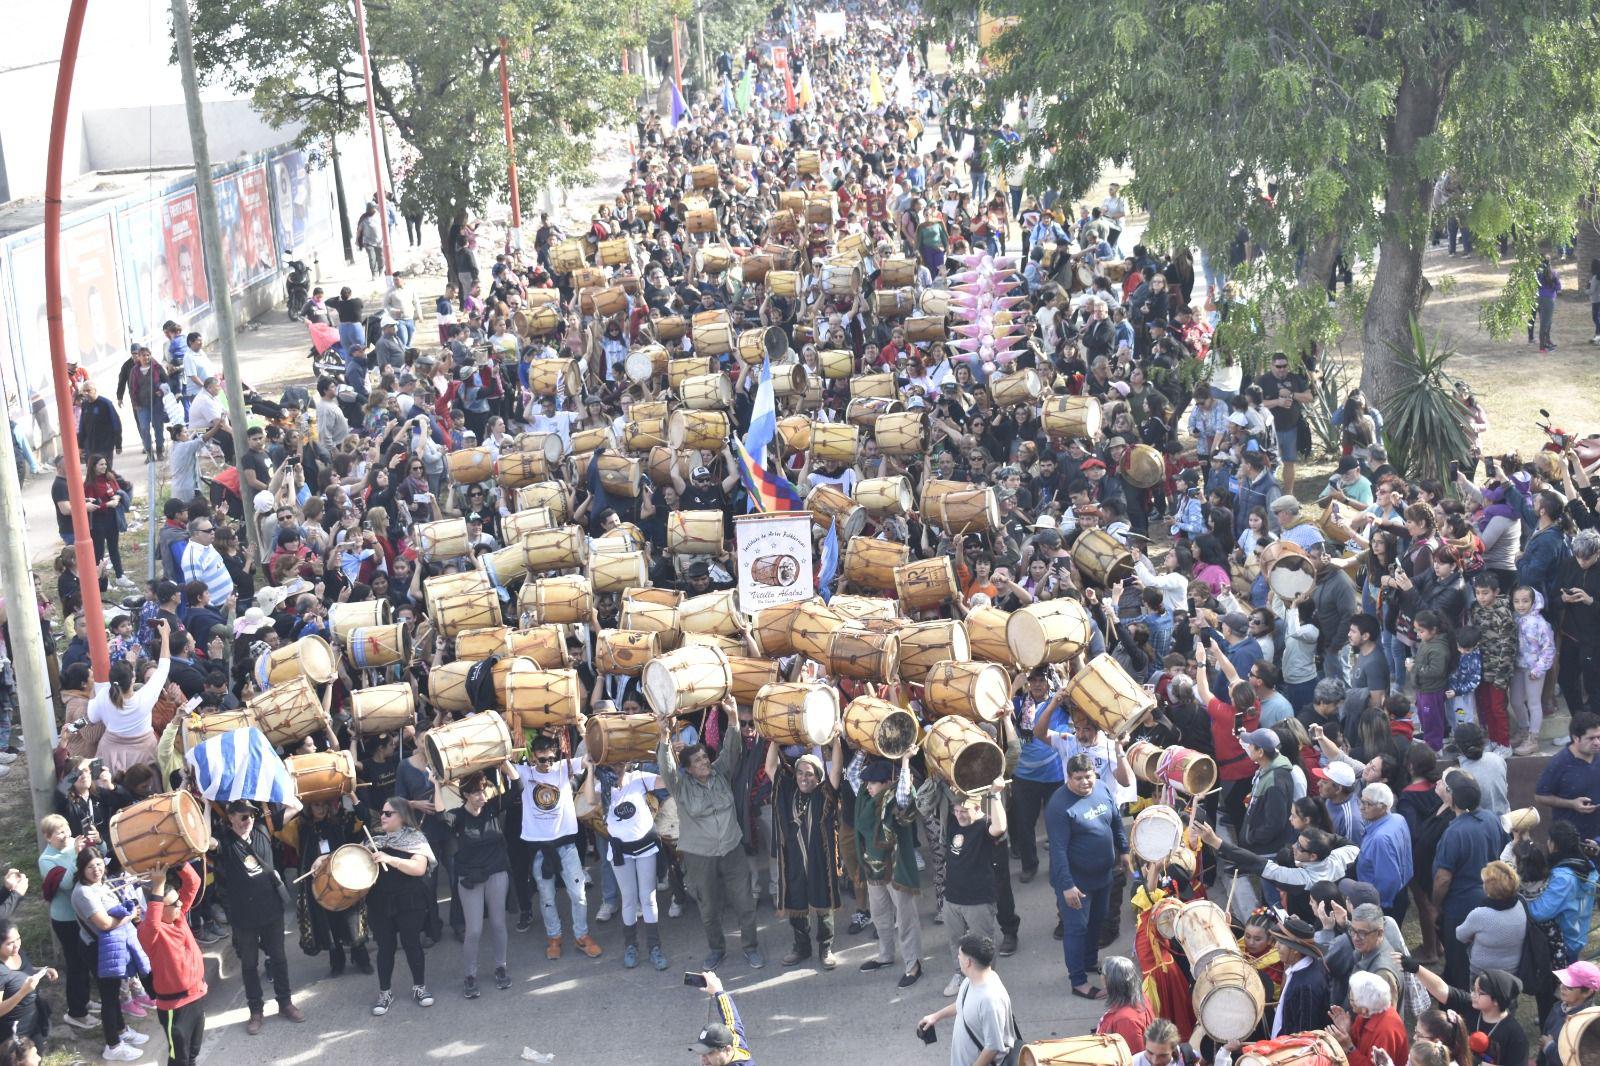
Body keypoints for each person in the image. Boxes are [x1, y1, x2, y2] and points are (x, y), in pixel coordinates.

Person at [658, 701, 762, 970]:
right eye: (697, 761)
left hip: (732, 850)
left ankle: (751, 947)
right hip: (700, 857)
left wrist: (733, 717)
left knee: (745, 903)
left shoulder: (720, 773)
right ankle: (717, 950)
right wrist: (664, 738)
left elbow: (732, 749)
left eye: (705, 757)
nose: (704, 762)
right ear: (688, 769)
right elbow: (667, 769)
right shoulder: (681, 786)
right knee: (709, 909)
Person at [213, 800, 303, 1034]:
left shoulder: (264, 827)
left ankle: (285, 1003)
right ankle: (256, 1011)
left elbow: (297, 807)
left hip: (271, 910)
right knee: (249, 965)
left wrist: (270, 792)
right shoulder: (224, 841)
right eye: (243, 816)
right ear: (231, 817)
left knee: (279, 958)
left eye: (252, 815)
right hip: (243, 917)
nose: (249, 820)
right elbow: (202, 841)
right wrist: (204, 803)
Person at [1047, 752, 1130, 999]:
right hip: (1076, 882)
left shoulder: (1102, 788)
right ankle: (1078, 982)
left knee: (1097, 921)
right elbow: (1058, 850)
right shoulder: (1059, 806)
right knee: (1076, 929)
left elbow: (1116, 821)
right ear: (1068, 778)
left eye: (1088, 776)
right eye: (1078, 778)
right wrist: (1067, 886)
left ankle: (1089, 961)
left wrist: (1124, 850)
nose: (1085, 782)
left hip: (1103, 875)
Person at [514, 733, 602, 960]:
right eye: (542, 759)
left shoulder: (564, 767)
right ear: (533, 757)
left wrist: (583, 729)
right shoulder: (524, 773)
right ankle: (554, 937)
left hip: (566, 845)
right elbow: (503, 764)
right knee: (546, 897)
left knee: (578, 894)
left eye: (551, 758)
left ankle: (581, 935)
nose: (547, 764)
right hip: (539, 849)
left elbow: (588, 758)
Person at [580, 748, 668, 971]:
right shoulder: (604, 785)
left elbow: (668, 780)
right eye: (612, 764)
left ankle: (655, 948)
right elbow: (589, 800)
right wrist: (590, 769)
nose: (617, 767)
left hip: (645, 847)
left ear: (627, 762)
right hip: (621, 851)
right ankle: (631, 946)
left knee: (648, 899)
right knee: (628, 900)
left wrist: (665, 751)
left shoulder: (639, 778)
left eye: (620, 763)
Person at [765, 735, 843, 972]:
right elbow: (770, 768)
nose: (803, 778)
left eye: (809, 774)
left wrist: (836, 741)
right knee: (796, 902)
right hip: (794, 859)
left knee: (823, 902)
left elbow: (836, 769)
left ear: (818, 777)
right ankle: (801, 947)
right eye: (800, 773)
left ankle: (825, 948)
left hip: (820, 859)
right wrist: (774, 740)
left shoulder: (824, 793)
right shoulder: (788, 790)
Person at [70, 849, 150, 1062]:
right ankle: (113, 1045)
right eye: (90, 867)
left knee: (113, 993)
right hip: (97, 949)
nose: (96, 870)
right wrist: (130, 916)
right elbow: (104, 924)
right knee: (109, 996)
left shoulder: (101, 883)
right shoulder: (83, 893)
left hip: (110, 947)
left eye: (99, 864)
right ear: (81, 869)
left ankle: (121, 1030)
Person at [441, 772, 513, 997]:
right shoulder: (458, 816)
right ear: (465, 795)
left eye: (483, 791)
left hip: (496, 872)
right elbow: (440, 817)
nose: (482, 796)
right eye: (476, 793)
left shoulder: (491, 808)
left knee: (499, 924)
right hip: (470, 878)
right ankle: (470, 975)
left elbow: (518, 788)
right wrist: (435, 785)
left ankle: (501, 967)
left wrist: (505, 764)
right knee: (473, 930)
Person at [1431, 770, 1505, 989]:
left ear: (1453, 796)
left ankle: (1461, 998)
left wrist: (1436, 905)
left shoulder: (1455, 832)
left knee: (1459, 959)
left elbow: (1442, 879)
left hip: (1460, 906)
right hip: (1488, 899)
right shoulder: (1491, 819)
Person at [853, 754, 922, 986]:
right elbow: (852, 775)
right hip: (874, 868)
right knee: (879, 915)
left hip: (897, 868)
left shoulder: (897, 799)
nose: (868, 787)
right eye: (868, 782)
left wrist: (905, 761)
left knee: (905, 919)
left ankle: (913, 965)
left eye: (873, 782)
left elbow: (903, 792)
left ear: (887, 783)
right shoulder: (866, 797)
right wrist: (860, 750)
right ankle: (885, 955)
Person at [368, 797, 437, 1016]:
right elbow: (351, 858)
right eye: (382, 812)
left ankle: (420, 987)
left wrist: (389, 859)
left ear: (402, 816)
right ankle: (385, 993)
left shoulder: (415, 838)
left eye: (388, 813)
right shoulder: (375, 840)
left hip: (409, 901)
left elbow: (418, 868)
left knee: (412, 944)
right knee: (385, 948)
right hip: (380, 902)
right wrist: (324, 859)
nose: (382, 816)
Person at [135, 864, 205, 1066]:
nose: (180, 904)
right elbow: (153, 922)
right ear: (159, 910)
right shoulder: (149, 933)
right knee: (178, 1059)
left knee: (193, 1054)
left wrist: (179, 863)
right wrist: (158, 885)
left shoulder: (178, 916)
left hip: (197, 996)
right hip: (175, 1007)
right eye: (174, 903)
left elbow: (194, 883)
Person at [916, 933, 1018, 1066]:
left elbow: (992, 1047)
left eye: (960, 955)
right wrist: (936, 1016)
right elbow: (962, 1005)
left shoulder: (990, 1001)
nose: (958, 957)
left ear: (968, 962)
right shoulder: (971, 980)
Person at [1535, 711, 1600, 842]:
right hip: (1571, 840)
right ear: (1576, 738)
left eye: (1599, 737)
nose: (1597, 742)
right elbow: (1540, 796)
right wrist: (1571, 804)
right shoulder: (1559, 763)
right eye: (1591, 738)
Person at [1329, 971, 1408, 1066]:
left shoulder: (1386, 1031)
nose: (1350, 1002)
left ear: (1364, 1010)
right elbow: (1358, 1043)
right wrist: (1347, 1030)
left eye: (1352, 1000)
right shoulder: (1368, 1013)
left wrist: (1349, 1048)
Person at [0, 920, 55, 1045]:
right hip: (14, 1031)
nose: (16, 945)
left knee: (38, 1052)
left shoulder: (17, 953)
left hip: (34, 1019)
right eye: (10, 943)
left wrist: (41, 971)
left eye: (18, 939)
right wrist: (23, 992)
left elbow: (21, 972)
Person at [691, 970, 753, 1066]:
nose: (703, 1059)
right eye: (701, 1052)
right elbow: (731, 1018)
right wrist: (718, 991)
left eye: (709, 1053)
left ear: (727, 1049)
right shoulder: (735, 1044)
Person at [1096, 956, 1155, 1053]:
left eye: (1101, 972)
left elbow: (1133, 1055)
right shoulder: (1141, 996)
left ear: (1110, 981)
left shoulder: (1125, 1019)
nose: (1100, 976)